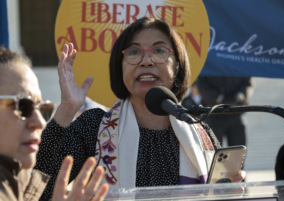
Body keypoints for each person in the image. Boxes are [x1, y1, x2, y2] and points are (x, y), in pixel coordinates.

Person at [35, 17, 246, 200]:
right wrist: (67, 109)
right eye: (134, 52)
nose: (146, 61)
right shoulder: (93, 127)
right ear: (120, 67)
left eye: (159, 51)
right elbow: (35, 190)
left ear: (178, 65)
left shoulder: (202, 135)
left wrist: (231, 191)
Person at [0, 47, 108, 201]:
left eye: (42, 109)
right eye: (23, 106)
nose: (40, 123)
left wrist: (68, 107)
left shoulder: (16, 183)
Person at [197, 76, 253, 146]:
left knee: (238, 150)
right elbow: (202, 84)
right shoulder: (208, 66)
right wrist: (218, 97)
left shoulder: (241, 65)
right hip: (214, 114)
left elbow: (248, 83)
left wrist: (241, 95)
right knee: (213, 150)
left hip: (236, 113)